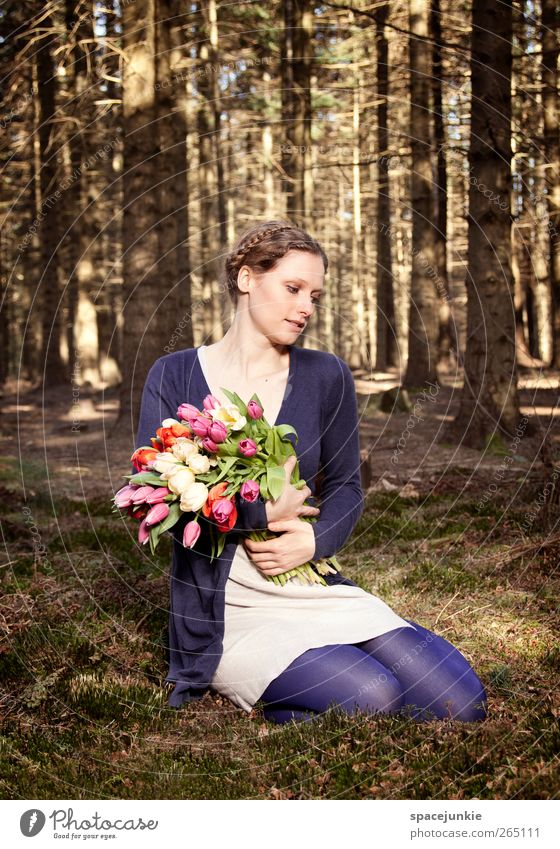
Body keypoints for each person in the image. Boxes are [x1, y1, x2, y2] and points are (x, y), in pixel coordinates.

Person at [134, 219, 487, 725]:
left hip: (309, 586)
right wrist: (258, 512)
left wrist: (313, 544)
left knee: (460, 701)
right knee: (374, 697)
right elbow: (150, 498)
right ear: (247, 279)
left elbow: (347, 486)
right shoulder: (174, 374)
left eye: (315, 296)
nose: (306, 308)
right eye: (293, 288)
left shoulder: (326, 375)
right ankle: (261, 689)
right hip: (226, 605)